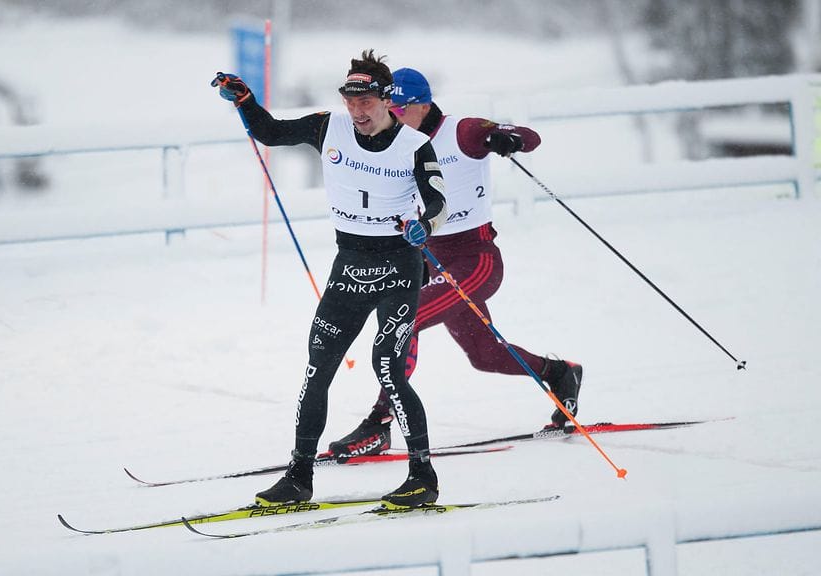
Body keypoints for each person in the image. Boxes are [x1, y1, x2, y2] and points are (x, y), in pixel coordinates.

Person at [212, 50, 448, 509]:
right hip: (351, 264)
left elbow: (438, 201)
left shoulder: (414, 144)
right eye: (350, 101)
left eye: (366, 102)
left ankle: (423, 476)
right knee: (318, 368)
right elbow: (272, 132)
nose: (357, 111)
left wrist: (427, 225)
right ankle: (299, 478)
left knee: (387, 366)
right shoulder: (328, 127)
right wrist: (244, 101)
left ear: (386, 101)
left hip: (398, 266)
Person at [326, 67, 583, 460]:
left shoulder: (459, 131)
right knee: (485, 355)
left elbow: (527, 137)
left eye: (397, 107)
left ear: (422, 105)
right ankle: (558, 373)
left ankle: (379, 424)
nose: (389, 115)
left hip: (475, 260)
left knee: (404, 317)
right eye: (386, 107)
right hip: (429, 261)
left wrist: (505, 137)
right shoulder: (391, 142)